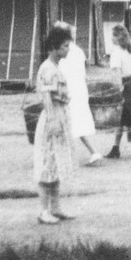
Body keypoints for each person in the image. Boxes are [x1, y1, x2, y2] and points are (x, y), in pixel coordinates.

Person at [32, 25, 76, 225]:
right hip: (53, 116)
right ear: (55, 46)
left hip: (60, 114)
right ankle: (43, 210)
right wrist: (52, 120)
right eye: (65, 46)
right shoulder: (47, 68)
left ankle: (56, 208)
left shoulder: (55, 67)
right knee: (47, 163)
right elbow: (47, 97)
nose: (68, 49)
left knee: (56, 163)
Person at [55, 21, 102, 165]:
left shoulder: (65, 52)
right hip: (80, 90)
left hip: (71, 91)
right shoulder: (79, 51)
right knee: (75, 123)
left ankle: (91, 151)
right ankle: (91, 152)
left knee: (69, 122)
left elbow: (61, 73)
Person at [107, 24, 131, 158]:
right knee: (121, 120)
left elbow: (117, 74)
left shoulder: (116, 53)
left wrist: (117, 90)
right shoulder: (130, 50)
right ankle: (115, 148)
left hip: (124, 87)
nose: (111, 37)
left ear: (117, 37)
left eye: (112, 35)